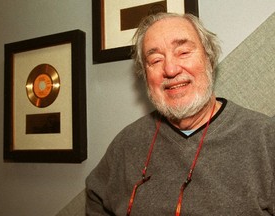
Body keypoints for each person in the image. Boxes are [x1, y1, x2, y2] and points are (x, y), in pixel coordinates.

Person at [86, 12, 275, 215]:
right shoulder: (126, 144)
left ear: (209, 59)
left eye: (183, 52)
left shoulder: (265, 139)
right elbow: (95, 197)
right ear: (145, 75)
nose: (170, 69)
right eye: (155, 60)